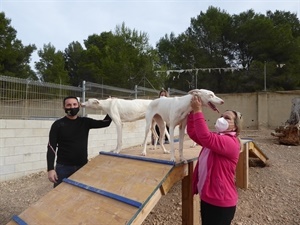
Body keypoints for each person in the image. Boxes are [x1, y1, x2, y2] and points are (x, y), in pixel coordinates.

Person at [187, 95, 243, 225]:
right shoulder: (217, 138)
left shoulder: (231, 143)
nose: (222, 119)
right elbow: (194, 133)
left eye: (227, 118)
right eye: (221, 116)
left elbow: (205, 137)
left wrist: (198, 111)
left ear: (235, 127)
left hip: (221, 202)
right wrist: (191, 114)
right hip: (208, 197)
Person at [47, 96, 112, 187]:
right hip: (63, 167)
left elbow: (106, 122)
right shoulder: (58, 125)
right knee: (60, 195)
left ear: (79, 106)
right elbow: (51, 147)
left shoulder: (85, 122)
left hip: (82, 166)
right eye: (68, 105)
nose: (72, 107)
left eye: (74, 104)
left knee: (80, 195)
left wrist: (111, 105)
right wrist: (50, 169)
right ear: (64, 107)